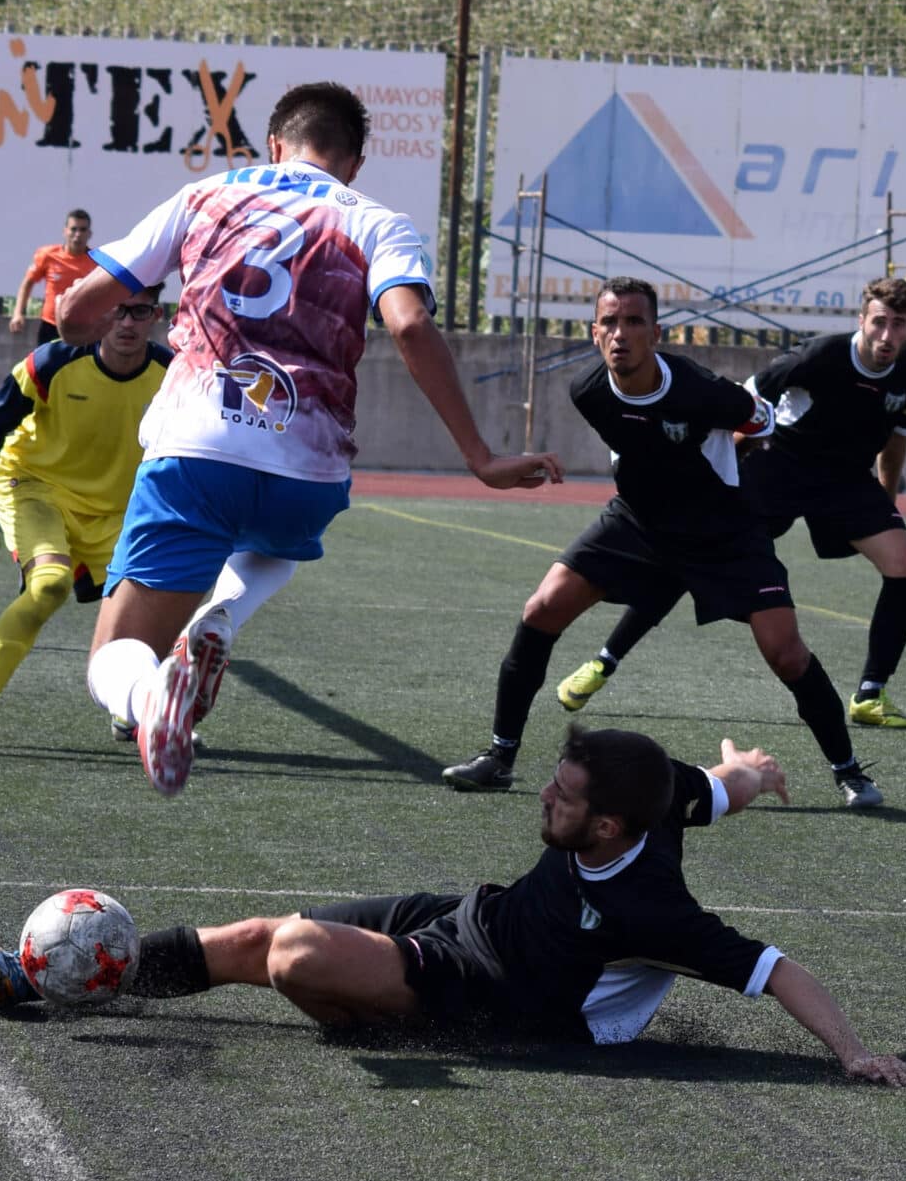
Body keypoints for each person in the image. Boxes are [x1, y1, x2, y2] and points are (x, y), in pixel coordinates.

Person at [52, 81, 562, 796]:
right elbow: (411, 324)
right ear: (354, 162)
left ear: (272, 144)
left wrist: (74, 324)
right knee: (273, 545)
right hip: (307, 466)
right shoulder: (377, 220)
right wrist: (480, 455)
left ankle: (150, 701)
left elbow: (79, 308)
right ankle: (223, 618)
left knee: (118, 652)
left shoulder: (206, 196)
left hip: (196, 448)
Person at [0, 725, 906, 1086]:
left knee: (293, 953)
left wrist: (854, 1052)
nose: (544, 799)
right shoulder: (653, 789)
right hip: (459, 918)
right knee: (259, 936)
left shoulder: (654, 909)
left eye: (562, 798)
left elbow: (776, 970)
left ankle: (365, 1019)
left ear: (607, 826)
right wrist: (752, 768)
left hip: (484, 993)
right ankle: (40, 980)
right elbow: (714, 788)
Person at [442, 278, 888, 808]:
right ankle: (500, 756)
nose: (620, 334)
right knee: (541, 609)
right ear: (593, 333)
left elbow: (760, 419)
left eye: (633, 322)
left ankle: (849, 771)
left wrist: (730, 442)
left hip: (722, 533)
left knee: (787, 655)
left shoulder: (702, 391)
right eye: (609, 322)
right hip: (638, 523)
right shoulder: (588, 392)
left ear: (655, 333)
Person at [556, 278, 906, 730]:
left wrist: (885, 504)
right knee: (686, 555)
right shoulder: (817, 357)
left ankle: (871, 694)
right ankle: (604, 661)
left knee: (904, 564)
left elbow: (894, 445)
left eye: (899, 325)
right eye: (879, 323)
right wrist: (720, 474)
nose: (887, 336)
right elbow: (744, 401)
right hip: (780, 467)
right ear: (861, 321)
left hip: (847, 481)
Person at [0, 284, 169, 749]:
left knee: (152, 605)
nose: (127, 322)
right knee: (48, 586)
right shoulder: (53, 362)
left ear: (155, 315)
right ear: (100, 314)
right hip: (35, 488)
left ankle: (131, 710)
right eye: (118, 311)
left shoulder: (174, 373)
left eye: (139, 311)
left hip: (116, 510)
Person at [10, 209, 95, 346]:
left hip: (82, 328)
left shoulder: (97, 260)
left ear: (89, 234)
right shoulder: (48, 255)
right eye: (73, 229)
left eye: (83, 230)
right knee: (45, 367)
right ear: (65, 231)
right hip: (51, 325)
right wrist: (18, 313)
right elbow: (28, 283)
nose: (77, 235)